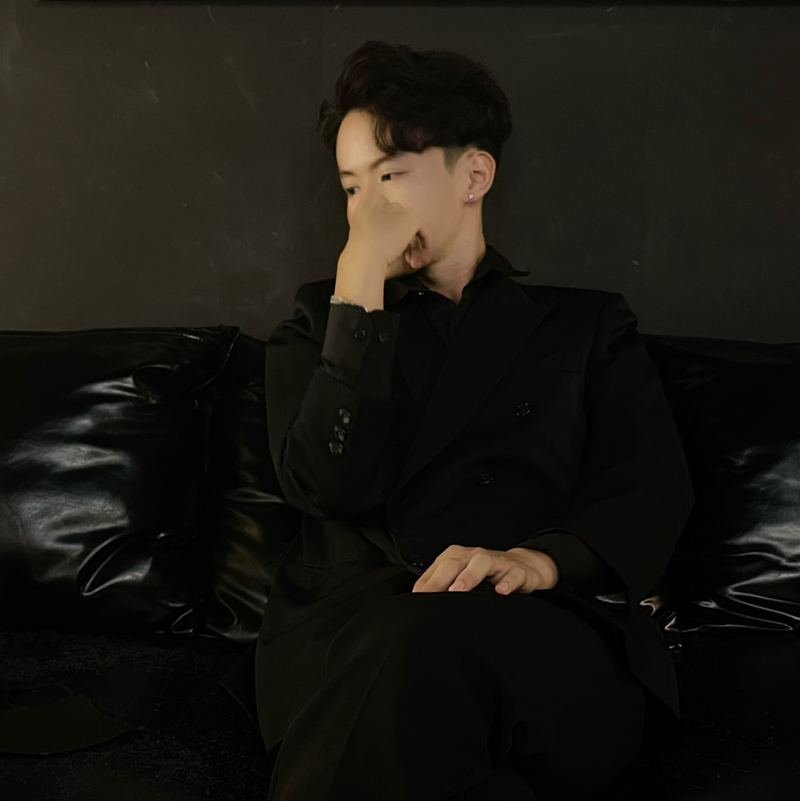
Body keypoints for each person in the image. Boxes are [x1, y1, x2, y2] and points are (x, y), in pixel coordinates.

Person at [220, 39, 695, 801]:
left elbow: (648, 489)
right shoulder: (321, 324)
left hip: (534, 626)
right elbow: (325, 486)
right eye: (351, 187)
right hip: (353, 630)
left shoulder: (583, 328)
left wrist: (539, 561)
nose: (366, 210)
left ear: (473, 175)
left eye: (390, 177)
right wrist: (357, 289)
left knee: (425, 648)